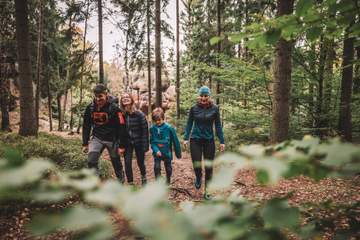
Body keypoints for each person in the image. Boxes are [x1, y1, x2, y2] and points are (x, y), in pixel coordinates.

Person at [183, 86, 225, 199]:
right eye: (201, 95)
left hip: (209, 140)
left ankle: (207, 191)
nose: (203, 98)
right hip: (195, 140)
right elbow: (189, 124)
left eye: (205, 96)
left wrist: (222, 141)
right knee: (197, 164)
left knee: (209, 167)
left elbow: (218, 126)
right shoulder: (194, 108)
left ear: (209, 96)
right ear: (199, 96)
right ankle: (198, 176)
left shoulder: (215, 109)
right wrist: (186, 138)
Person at [82, 84, 127, 182]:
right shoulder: (90, 108)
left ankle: (120, 179)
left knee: (115, 161)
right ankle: (95, 183)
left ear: (106, 94)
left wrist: (121, 145)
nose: (98, 99)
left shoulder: (115, 109)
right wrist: (85, 143)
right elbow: (86, 125)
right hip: (97, 138)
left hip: (112, 140)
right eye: (96, 96)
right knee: (91, 160)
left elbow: (122, 127)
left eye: (100, 96)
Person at [120, 93, 149, 185]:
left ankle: (143, 176)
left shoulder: (139, 114)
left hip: (139, 141)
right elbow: (119, 130)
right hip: (127, 143)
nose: (125, 99)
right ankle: (130, 182)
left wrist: (145, 145)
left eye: (127, 97)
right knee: (127, 162)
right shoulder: (121, 114)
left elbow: (145, 130)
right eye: (123, 98)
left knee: (140, 162)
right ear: (121, 101)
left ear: (131, 99)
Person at [150, 108, 181, 185]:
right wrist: (156, 150)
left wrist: (178, 153)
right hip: (157, 153)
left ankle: (168, 180)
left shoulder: (169, 128)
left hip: (167, 152)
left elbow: (175, 141)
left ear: (163, 118)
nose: (157, 122)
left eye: (159, 120)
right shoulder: (152, 129)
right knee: (156, 167)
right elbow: (152, 141)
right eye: (155, 120)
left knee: (168, 168)